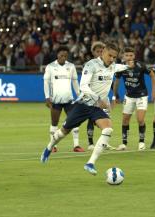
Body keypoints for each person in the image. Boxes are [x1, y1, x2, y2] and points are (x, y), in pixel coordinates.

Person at [40, 42, 134, 175]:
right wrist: (97, 98)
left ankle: (90, 163)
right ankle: (49, 147)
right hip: (83, 105)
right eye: (110, 55)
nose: (112, 59)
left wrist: (127, 65)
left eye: (114, 57)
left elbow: (118, 67)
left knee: (108, 129)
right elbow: (83, 86)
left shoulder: (113, 66)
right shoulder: (91, 65)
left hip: (96, 108)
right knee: (63, 132)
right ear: (103, 52)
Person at [112, 47, 155, 151]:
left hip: (141, 96)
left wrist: (153, 91)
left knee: (140, 119)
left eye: (131, 55)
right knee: (125, 120)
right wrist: (115, 96)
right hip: (129, 96)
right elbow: (116, 82)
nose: (129, 57)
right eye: (126, 55)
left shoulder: (140, 65)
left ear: (134, 56)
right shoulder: (121, 67)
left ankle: (141, 142)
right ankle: (124, 143)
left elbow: (152, 75)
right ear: (123, 56)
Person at [43, 45, 83, 152]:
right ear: (57, 55)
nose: (63, 57)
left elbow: (75, 82)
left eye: (65, 55)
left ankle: (76, 145)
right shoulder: (50, 67)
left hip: (69, 100)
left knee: (74, 121)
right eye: (61, 55)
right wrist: (47, 97)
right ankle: (53, 146)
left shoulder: (71, 66)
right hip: (56, 100)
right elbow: (46, 83)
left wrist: (79, 95)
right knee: (54, 122)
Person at [86, 42, 106, 151]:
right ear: (93, 52)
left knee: (105, 119)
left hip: (104, 97)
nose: (99, 53)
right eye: (97, 51)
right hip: (92, 96)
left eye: (101, 51)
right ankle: (90, 143)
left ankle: (103, 143)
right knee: (91, 119)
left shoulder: (108, 65)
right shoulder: (90, 65)